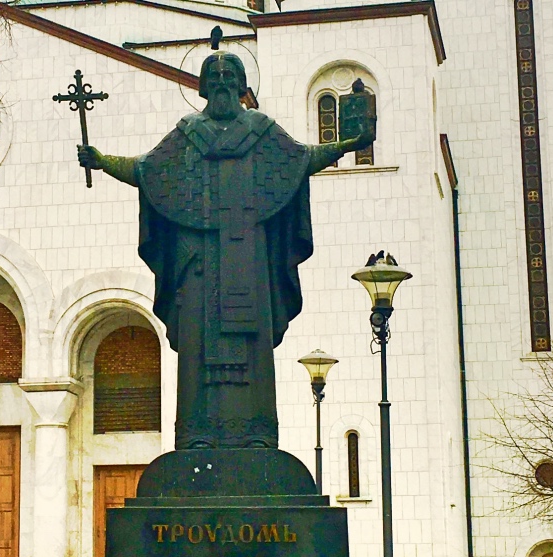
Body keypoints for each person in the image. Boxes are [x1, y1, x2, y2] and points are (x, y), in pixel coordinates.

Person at [79, 52, 374, 449]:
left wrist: (348, 144)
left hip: (249, 260)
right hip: (196, 262)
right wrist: (103, 161)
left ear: (240, 84)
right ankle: (197, 435)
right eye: (213, 77)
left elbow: (300, 161)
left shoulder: (262, 130)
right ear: (203, 86)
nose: (221, 82)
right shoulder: (186, 133)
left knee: (253, 347)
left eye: (228, 76)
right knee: (198, 345)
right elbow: (149, 170)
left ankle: (258, 435)